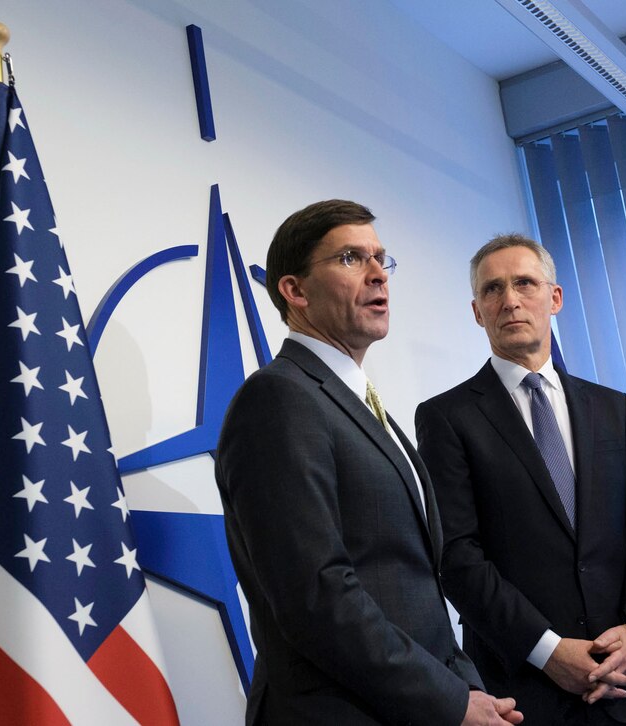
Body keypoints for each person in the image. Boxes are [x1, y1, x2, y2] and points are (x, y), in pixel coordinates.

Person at [215, 201, 523, 726]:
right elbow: (317, 597)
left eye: (382, 259)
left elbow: (415, 585)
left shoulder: (360, 405)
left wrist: (466, 686)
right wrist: (449, 701)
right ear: (295, 291)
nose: (379, 274)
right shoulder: (278, 400)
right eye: (352, 259)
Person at [415, 234, 626, 725]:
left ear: (554, 297)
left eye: (524, 283)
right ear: (477, 311)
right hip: (524, 693)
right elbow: (457, 557)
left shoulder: (611, 408)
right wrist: (548, 651)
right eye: (492, 290)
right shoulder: (446, 418)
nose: (509, 300)